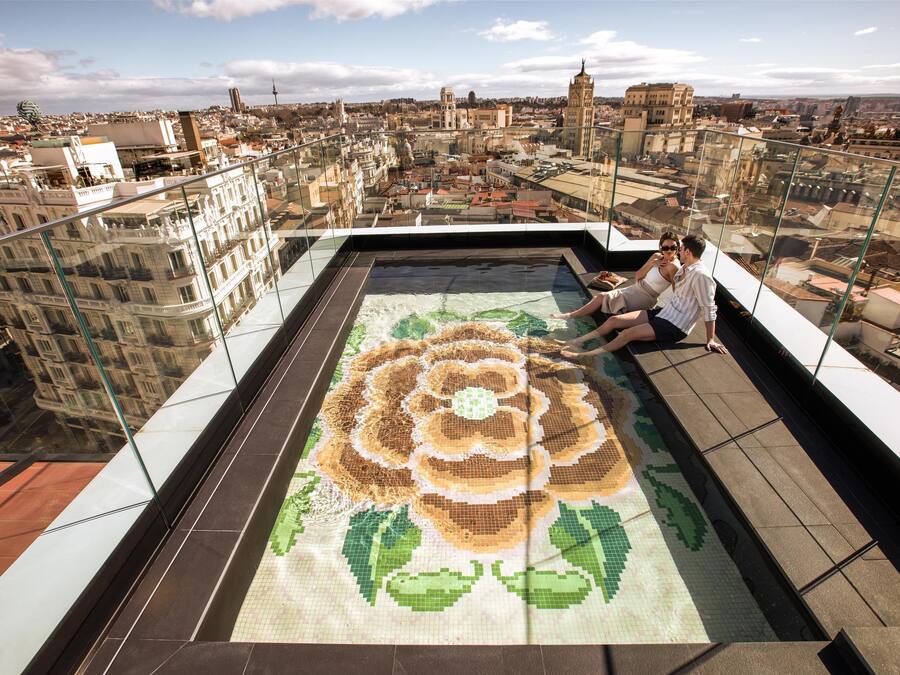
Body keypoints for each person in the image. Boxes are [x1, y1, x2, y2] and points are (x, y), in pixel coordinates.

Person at [561, 233, 728, 358]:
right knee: (613, 321)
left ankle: (584, 355)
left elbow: (709, 308)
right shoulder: (686, 267)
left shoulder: (701, 276)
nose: (679, 251)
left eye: (681, 248)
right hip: (664, 312)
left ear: (688, 252)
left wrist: (710, 339)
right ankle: (576, 341)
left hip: (675, 325)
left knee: (626, 334)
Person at [550, 232, 681, 319]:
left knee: (602, 297)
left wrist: (671, 313)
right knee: (601, 297)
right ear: (660, 248)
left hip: (647, 297)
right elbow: (638, 276)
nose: (668, 251)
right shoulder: (656, 257)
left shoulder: (674, 267)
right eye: (665, 248)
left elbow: (677, 291)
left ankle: (569, 316)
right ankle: (572, 316)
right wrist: (652, 264)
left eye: (672, 247)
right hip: (635, 288)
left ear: (678, 248)